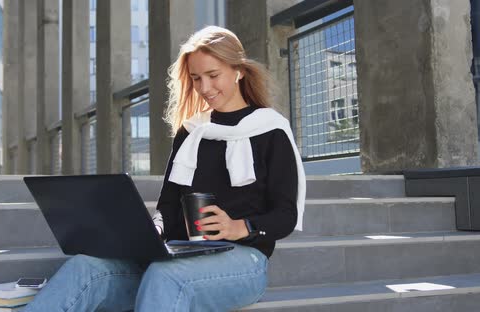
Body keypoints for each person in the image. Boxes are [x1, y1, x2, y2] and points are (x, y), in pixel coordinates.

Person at [23, 25, 305, 312]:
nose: (204, 88)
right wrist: (153, 230)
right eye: (196, 78)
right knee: (85, 267)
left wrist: (239, 227)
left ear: (238, 71)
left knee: (165, 277)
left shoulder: (270, 129)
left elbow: (286, 214)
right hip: (179, 255)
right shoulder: (192, 131)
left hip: (244, 260)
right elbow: (168, 206)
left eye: (213, 75)